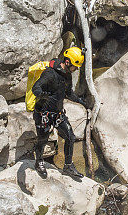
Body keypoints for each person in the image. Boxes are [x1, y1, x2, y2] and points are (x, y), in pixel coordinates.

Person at [32, 46, 88, 178]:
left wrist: (82, 102)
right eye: (75, 66)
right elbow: (36, 87)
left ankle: (68, 166)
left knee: (70, 137)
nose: (76, 69)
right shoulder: (50, 74)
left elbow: (69, 94)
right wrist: (42, 95)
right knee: (42, 140)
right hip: (43, 114)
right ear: (67, 62)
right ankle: (39, 162)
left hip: (57, 114)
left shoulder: (67, 76)